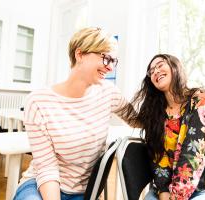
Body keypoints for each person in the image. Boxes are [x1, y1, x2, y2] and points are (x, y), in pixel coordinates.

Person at [13, 27, 132, 200]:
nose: (110, 67)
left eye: (114, 61)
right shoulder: (39, 102)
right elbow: (47, 168)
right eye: (106, 58)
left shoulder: (109, 93)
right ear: (80, 54)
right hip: (40, 185)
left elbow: (140, 120)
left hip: (82, 192)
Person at [122, 54, 205, 200]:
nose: (155, 71)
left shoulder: (202, 99)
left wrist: (175, 197)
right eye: (151, 71)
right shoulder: (155, 115)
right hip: (168, 189)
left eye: (160, 65)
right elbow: (158, 160)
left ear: (174, 66)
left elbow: (193, 153)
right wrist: (163, 191)